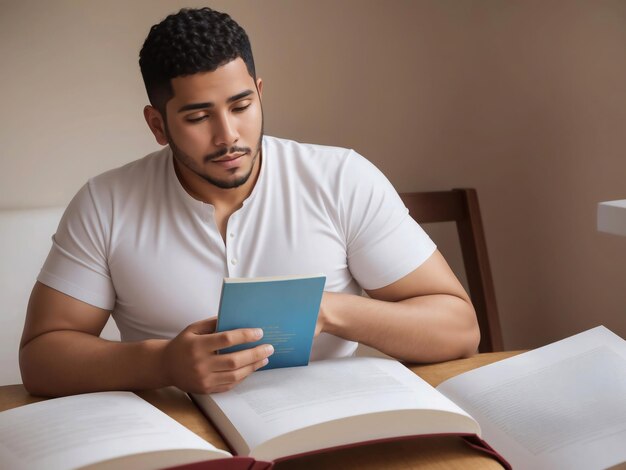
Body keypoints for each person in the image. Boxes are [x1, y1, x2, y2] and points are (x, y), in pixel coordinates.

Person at [19, 7, 479, 397]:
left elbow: (459, 332)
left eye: (241, 107)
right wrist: (162, 364)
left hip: (333, 426)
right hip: (184, 437)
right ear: (158, 126)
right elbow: (41, 358)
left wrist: (328, 310)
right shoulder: (106, 204)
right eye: (198, 116)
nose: (228, 136)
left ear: (259, 94)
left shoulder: (341, 178)